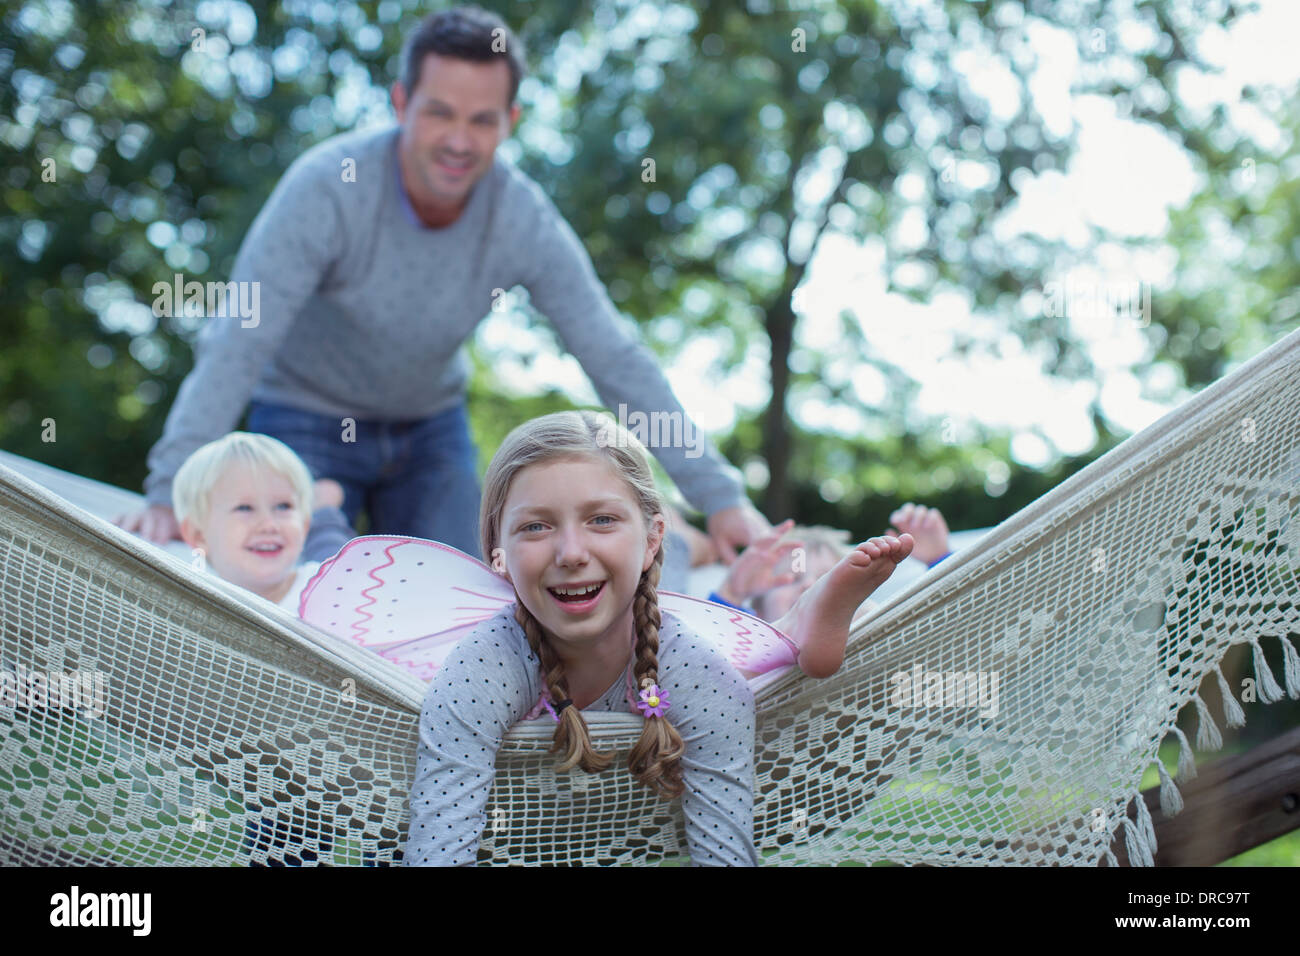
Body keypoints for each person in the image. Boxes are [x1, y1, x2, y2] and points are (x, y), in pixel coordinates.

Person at [114, 5, 767, 562]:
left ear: (511, 120)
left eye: (482, 120)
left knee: (461, 597)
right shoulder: (327, 187)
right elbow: (239, 336)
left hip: (430, 428)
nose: (459, 140)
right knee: (305, 584)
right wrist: (172, 489)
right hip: (304, 415)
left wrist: (721, 497)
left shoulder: (521, 217)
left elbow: (613, 354)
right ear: (401, 103)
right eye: (439, 113)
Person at [404, 411, 910, 865]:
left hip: (682, 705)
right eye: (536, 527)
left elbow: (726, 853)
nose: (571, 552)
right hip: (492, 824)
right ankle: (790, 626)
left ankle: (792, 634)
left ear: (651, 540)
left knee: (730, 672)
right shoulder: (482, 667)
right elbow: (437, 849)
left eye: (602, 520)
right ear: (499, 557)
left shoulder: (695, 671)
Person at [171, 432, 352, 611]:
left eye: (283, 506)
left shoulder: (331, 590)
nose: (269, 525)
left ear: (304, 526)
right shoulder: (190, 604)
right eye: (245, 508)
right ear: (199, 536)